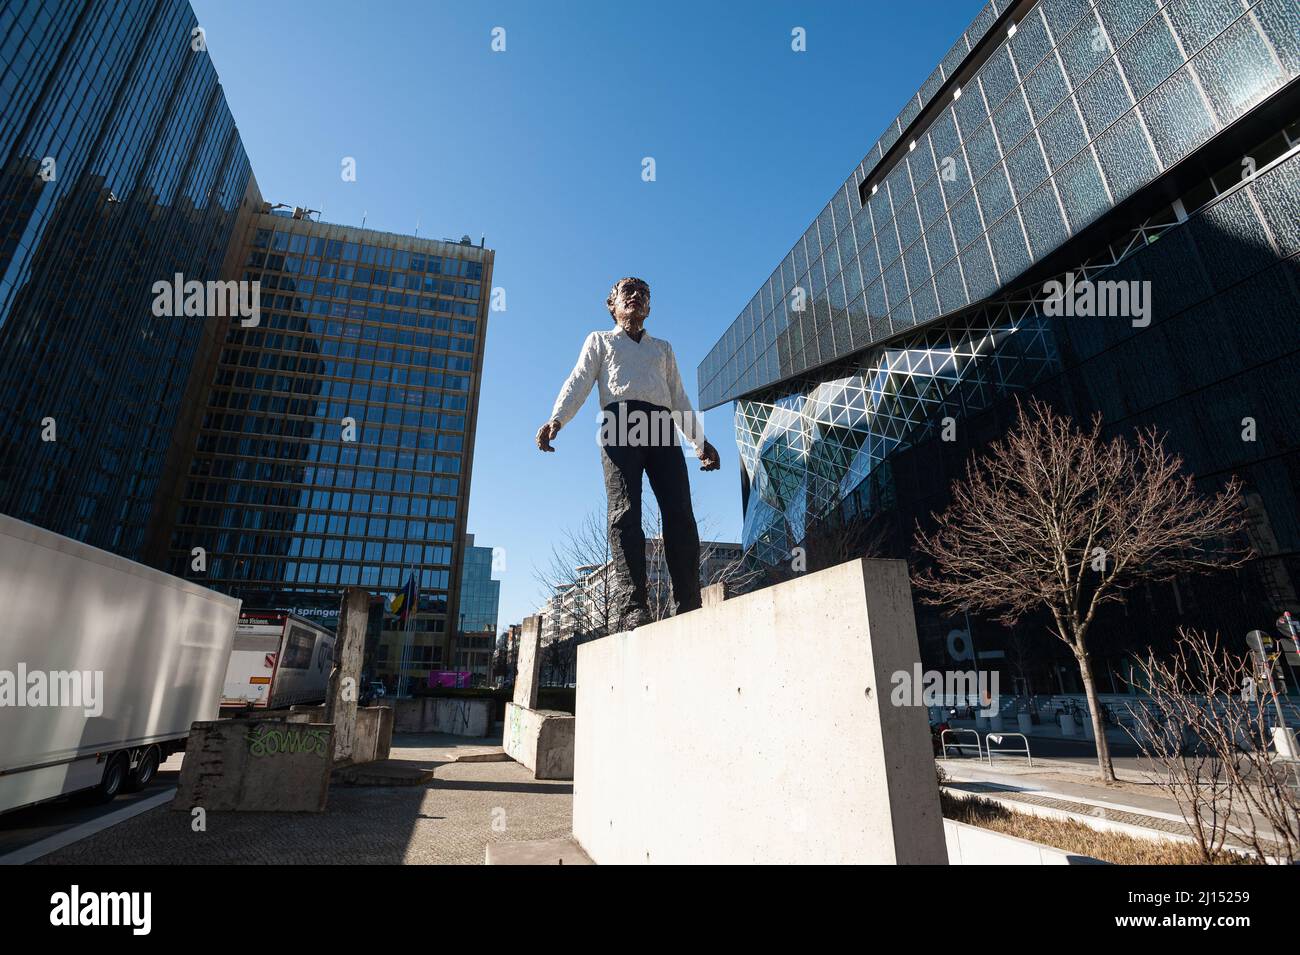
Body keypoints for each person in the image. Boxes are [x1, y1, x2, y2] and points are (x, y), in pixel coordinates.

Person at [537, 277, 720, 630]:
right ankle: (632, 606)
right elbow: (578, 380)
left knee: (680, 511)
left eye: (644, 294)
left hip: (662, 426)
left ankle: (689, 601)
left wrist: (701, 442)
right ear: (612, 305)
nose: (636, 297)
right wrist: (556, 419)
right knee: (625, 513)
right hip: (620, 423)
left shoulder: (663, 349)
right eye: (628, 293)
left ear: (649, 307)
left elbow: (679, 398)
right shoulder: (600, 341)